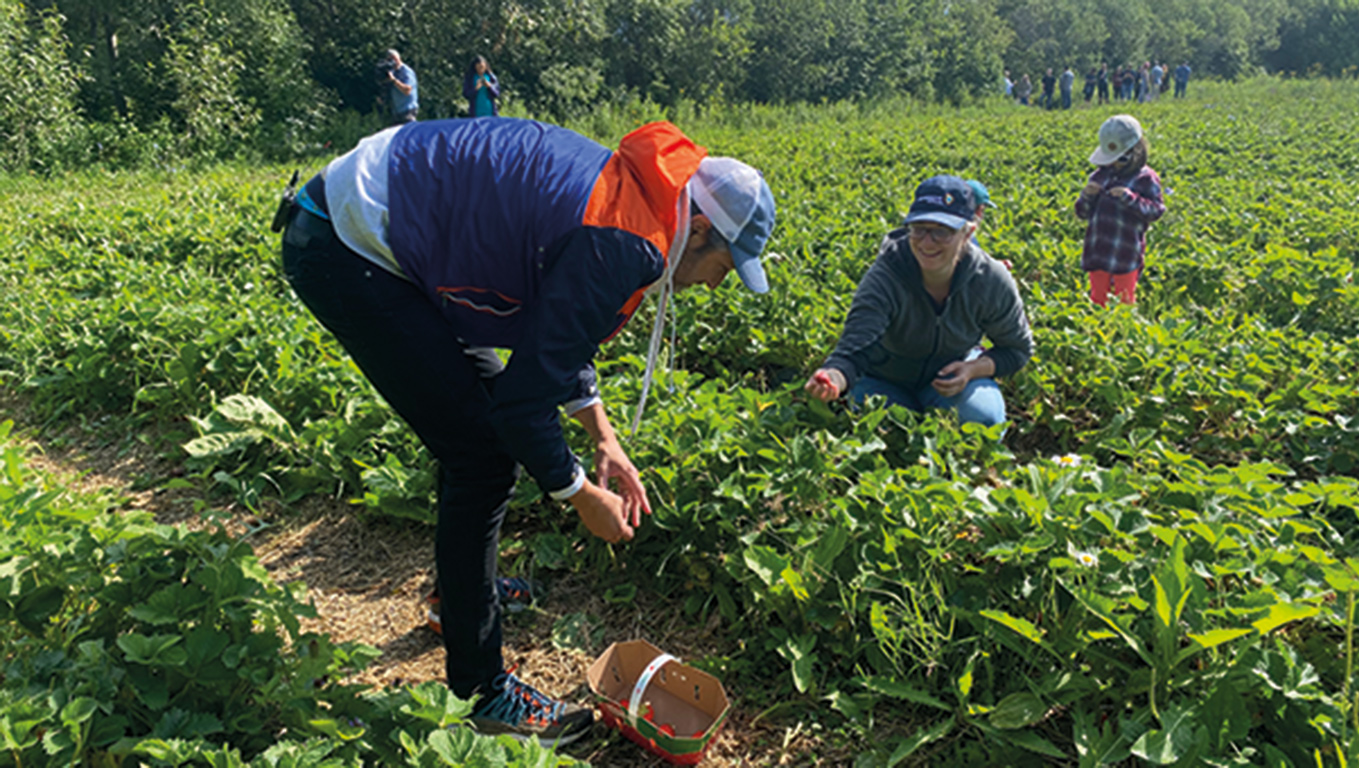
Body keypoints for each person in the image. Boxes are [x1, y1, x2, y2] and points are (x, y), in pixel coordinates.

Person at [278, 118, 776, 745]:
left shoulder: (636, 198)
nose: (713, 285)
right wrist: (579, 496)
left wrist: (603, 437)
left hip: (375, 220)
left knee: (473, 428)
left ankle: (459, 599)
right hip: (349, 246)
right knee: (482, 455)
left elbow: (554, 331)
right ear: (699, 230)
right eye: (723, 268)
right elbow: (521, 408)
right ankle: (480, 691)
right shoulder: (627, 241)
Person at [803, 175, 1033, 428]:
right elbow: (854, 351)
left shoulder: (990, 280)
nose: (926, 242)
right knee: (888, 429)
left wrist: (973, 370)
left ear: (968, 232)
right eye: (919, 228)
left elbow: (1017, 349)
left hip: (950, 377)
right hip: (883, 378)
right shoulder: (885, 277)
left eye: (941, 232)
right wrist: (833, 377)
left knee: (982, 419)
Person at [1074, 115, 1165, 307]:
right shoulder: (1099, 175)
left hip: (1125, 252)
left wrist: (1129, 198)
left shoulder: (1146, 178)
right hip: (1097, 251)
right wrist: (1087, 196)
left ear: (1136, 152)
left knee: (1124, 302)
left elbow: (1156, 211)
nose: (1113, 164)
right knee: (1098, 300)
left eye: (1120, 159)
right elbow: (1082, 213)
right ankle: (1099, 333)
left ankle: (1122, 335)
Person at [383, 49, 419, 124]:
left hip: (408, 111)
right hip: (396, 112)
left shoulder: (406, 72)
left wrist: (394, 80)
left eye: (392, 59)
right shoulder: (392, 71)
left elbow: (407, 90)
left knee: (407, 134)